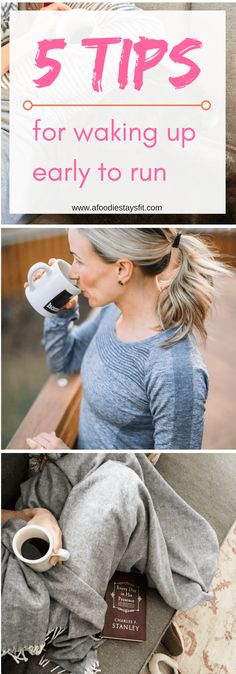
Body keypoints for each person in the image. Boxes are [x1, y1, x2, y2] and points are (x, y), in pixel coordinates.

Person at [2, 452, 219, 674]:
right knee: (122, 484)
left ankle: (149, 558)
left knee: (110, 457)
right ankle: (52, 632)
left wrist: (36, 515)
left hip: (18, 525)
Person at [26, 227, 231, 451]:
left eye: (79, 260)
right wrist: (59, 311)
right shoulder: (113, 312)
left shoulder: (175, 371)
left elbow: (166, 472)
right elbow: (64, 362)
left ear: (122, 269)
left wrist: (69, 458)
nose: (72, 273)